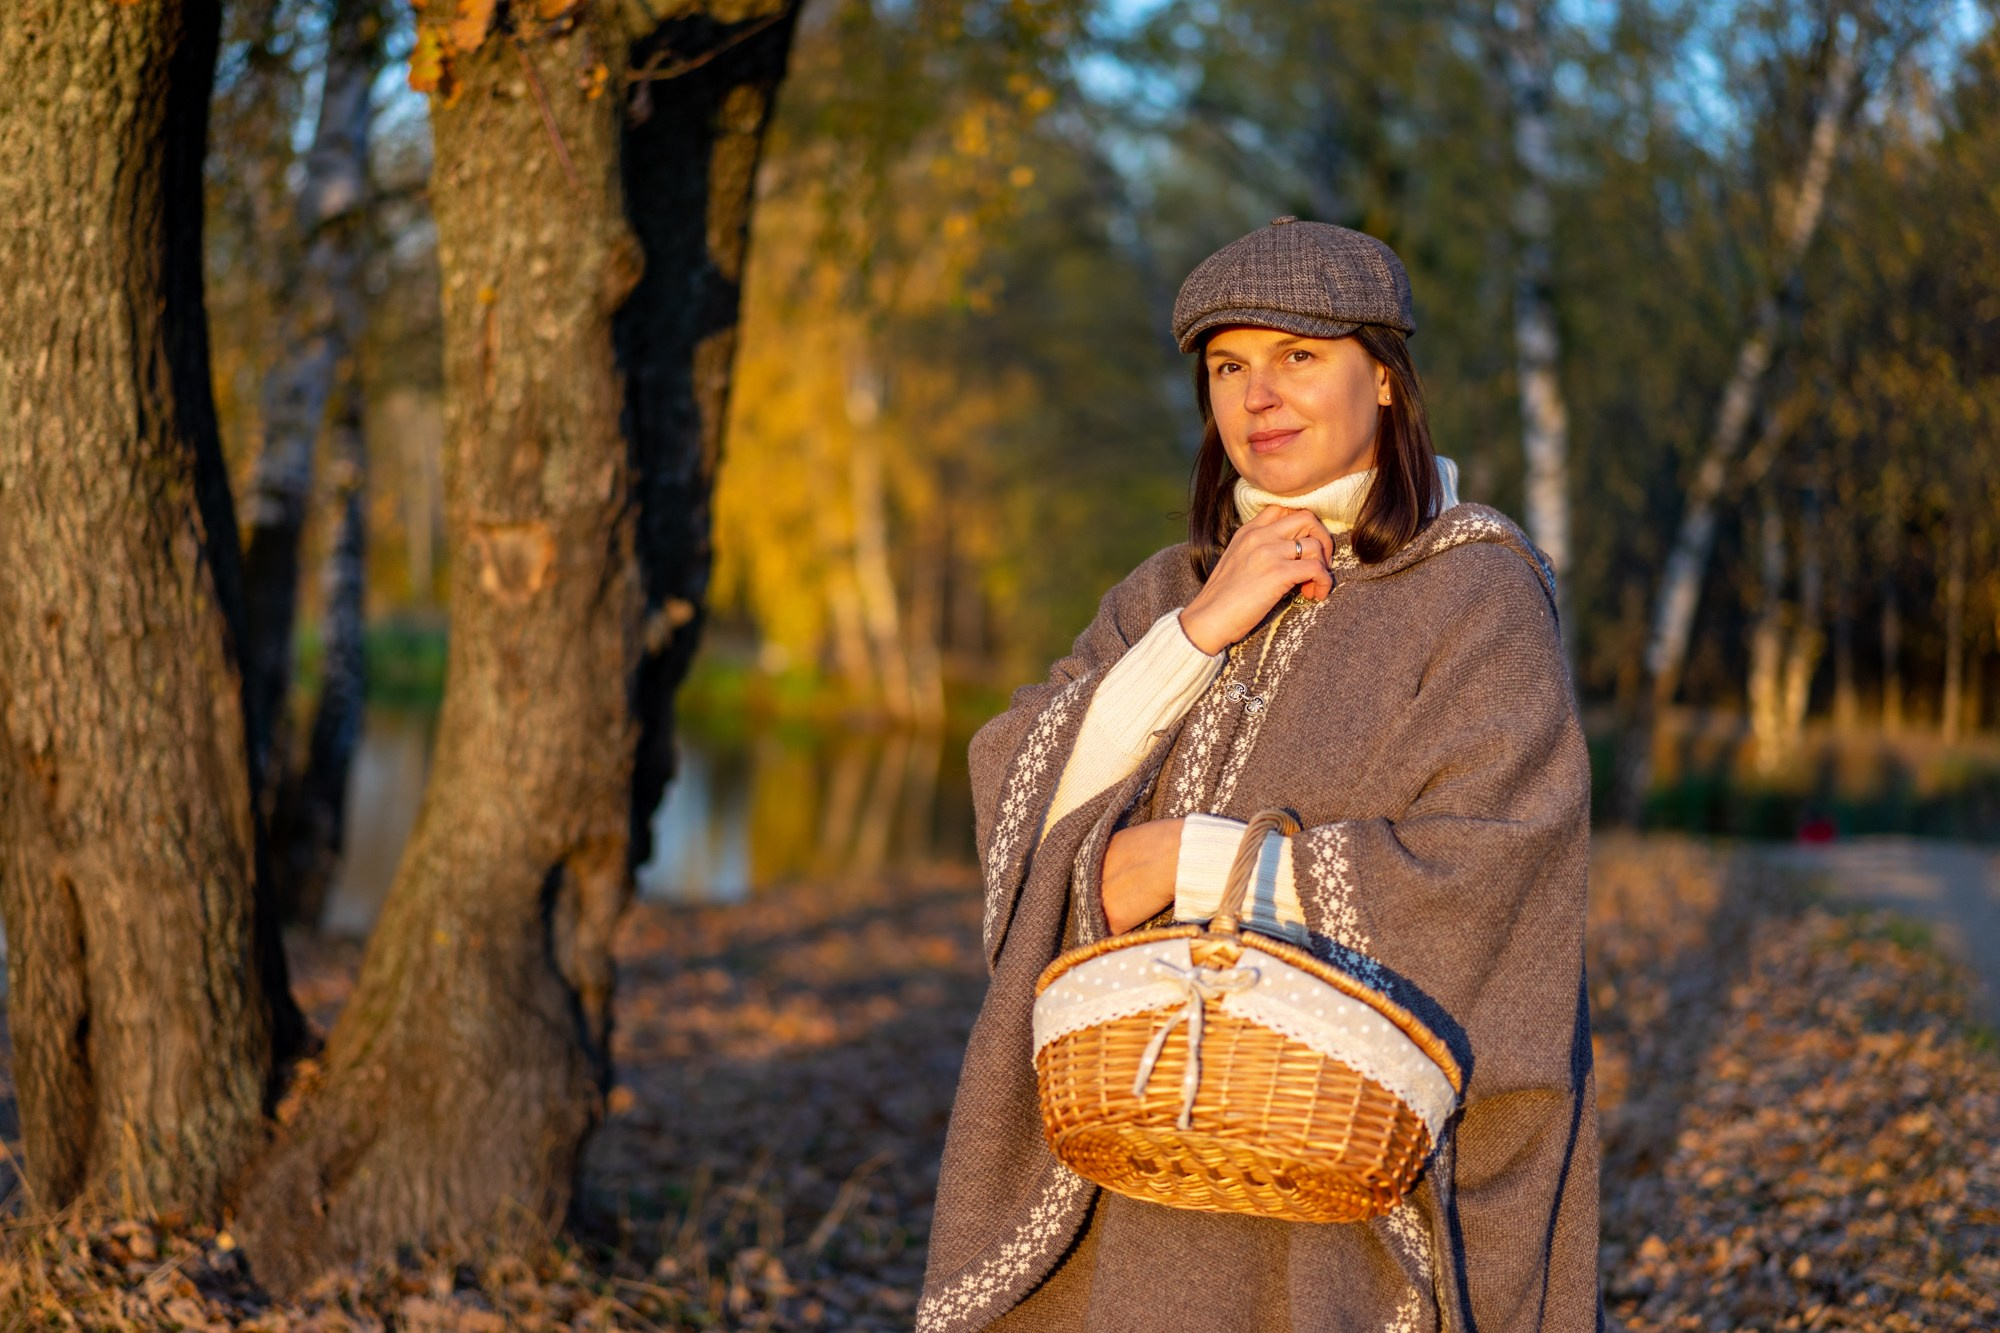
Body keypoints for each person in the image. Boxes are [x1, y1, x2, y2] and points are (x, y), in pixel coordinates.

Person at [916, 217, 1600, 1333]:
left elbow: (1497, 858)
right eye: (1229, 367)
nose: (1258, 397)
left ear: (1381, 375)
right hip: (1139, 1143)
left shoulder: (1473, 590)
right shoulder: (1166, 590)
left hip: (1344, 1170)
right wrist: (1195, 633)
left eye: (1298, 356)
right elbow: (1020, 788)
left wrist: (1193, 862)